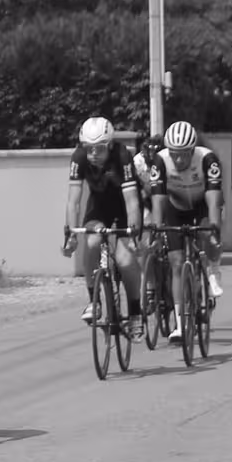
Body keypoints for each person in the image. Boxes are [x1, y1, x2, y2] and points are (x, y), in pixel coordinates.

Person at [131, 120, 224, 342]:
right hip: (175, 207)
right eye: (174, 154)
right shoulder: (160, 160)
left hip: (202, 204)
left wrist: (213, 227)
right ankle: (181, 325)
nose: (179, 159)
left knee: (207, 234)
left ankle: (213, 270)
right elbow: (158, 199)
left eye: (184, 154)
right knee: (176, 261)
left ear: (193, 150)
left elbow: (213, 199)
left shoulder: (208, 159)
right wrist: (156, 229)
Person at [60, 117, 142, 327]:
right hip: (99, 205)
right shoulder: (79, 157)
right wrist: (70, 236)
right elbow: (73, 202)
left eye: (100, 148)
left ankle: (135, 312)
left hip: (124, 207)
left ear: (110, 145)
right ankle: (93, 302)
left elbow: (132, 202)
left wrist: (133, 235)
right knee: (92, 242)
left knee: (125, 261)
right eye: (89, 149)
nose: (94, 154)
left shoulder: (122, 156)